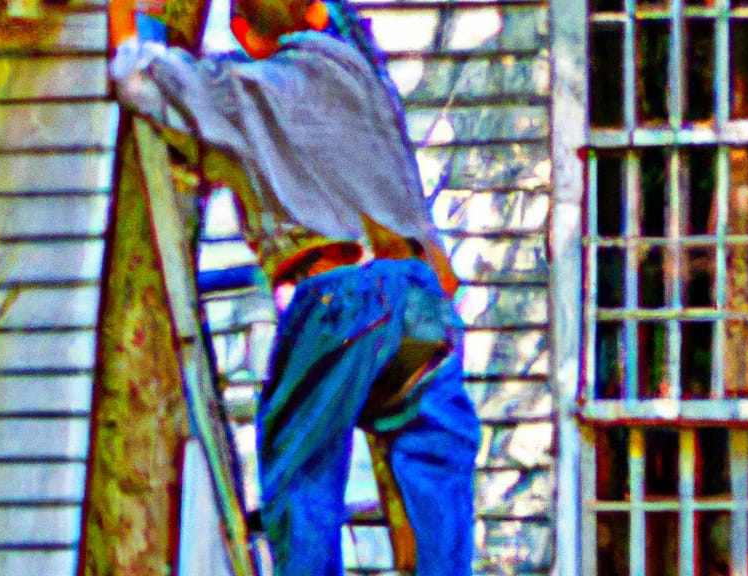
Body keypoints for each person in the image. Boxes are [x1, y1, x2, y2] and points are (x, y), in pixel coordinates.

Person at [107, 0, 482, 573]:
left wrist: (126, 13)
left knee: (301, 473)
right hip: (418, 299)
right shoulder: (359, 76)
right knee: (438, 464)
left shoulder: (244, 89)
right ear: (311, 14)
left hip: (340, 296)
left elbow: (137, 78)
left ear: (240, 31)